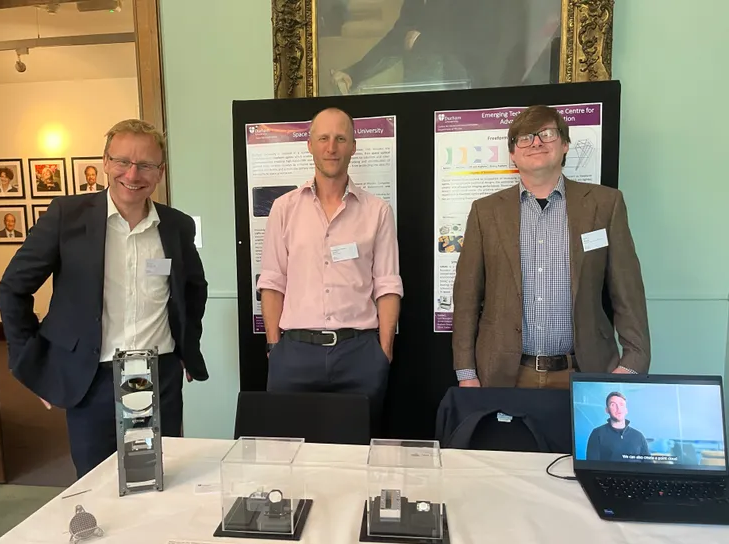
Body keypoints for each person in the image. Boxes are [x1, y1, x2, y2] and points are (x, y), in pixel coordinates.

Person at [0, 118, 209, 478]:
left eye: (145, 165)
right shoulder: (68, 217)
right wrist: (33, 363)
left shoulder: (176, 225)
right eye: (123, 161)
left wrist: (187, 347)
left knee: (159, 478)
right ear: (106, 163)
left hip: (160, 375)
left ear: (159, 172)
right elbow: (13, 289)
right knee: (97, 484)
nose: (133, 173)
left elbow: (193, 288)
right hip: (92, 378)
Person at [452, 105, 650, 389]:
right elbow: (467, 297)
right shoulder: (486, 212)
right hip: (504, 376)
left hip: (585, 373)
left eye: (546, 134)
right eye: (525, 137)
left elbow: (627, 291)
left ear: (565, 144)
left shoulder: (605, 205)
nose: (536, 142)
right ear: (512, 153)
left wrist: (632, 364)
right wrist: (466, 371)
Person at [256, 107, 402, 431]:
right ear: (309, 145)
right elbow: (272, 282)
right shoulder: (284, 209)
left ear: (353, 145)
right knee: (287, 454)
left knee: (356, 457)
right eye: (323, 138)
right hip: (294, 355)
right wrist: (274, 346)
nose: (331, 147)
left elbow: (388, 284)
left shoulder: (377, 211)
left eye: (340, 138)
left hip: (360, 356)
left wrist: (384, 351)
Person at [330, 0, 527, 93]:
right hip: (419, 90)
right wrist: (354, 73)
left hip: (466, 95)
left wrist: (424, 41)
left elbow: (484, 39)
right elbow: (397, 38)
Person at [586, 392, 649, 461]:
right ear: (607, 410)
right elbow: (592, 466)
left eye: (621, 405)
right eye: (613, 405)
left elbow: (649, 466)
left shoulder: (639, 436)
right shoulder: (597, 434)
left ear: (626, 410)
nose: (618, 408)